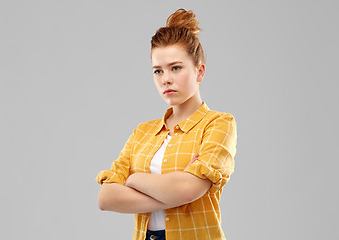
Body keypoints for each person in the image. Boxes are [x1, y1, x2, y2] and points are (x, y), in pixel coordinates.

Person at [95, 8, 237, 240]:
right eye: (158, 71)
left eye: (176, 68)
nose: (166, 79)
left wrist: (133, 180)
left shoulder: (218, 124)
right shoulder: (143, 132)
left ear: (199, 71)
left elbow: (188, 189)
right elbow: (106, 198)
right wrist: (176, 193)